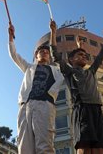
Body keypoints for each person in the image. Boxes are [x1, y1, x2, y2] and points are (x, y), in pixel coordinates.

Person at [50, 20, 103, 154]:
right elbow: (55, 54)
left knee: (100, 149)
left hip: (97, 109)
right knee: (84, 147)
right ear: (71, 60)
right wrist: (53, 33)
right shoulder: (69, 71)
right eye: (79, 55)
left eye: (85, 55)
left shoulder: (90, 71)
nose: (84, 57)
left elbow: (99, 58)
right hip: (82, 109)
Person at [8, 23, 64, 154]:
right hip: (25, 106)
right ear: (36, 55)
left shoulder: (56, 70)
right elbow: (14, 55)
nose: (44, 53)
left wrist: (53, 33)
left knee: (44, 146)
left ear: (49, 57)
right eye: (41, 52)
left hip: (44, 105)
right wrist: (11, 38)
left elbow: (61, 77)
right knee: (24, 147)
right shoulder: (29, 68)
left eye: (46, 52)